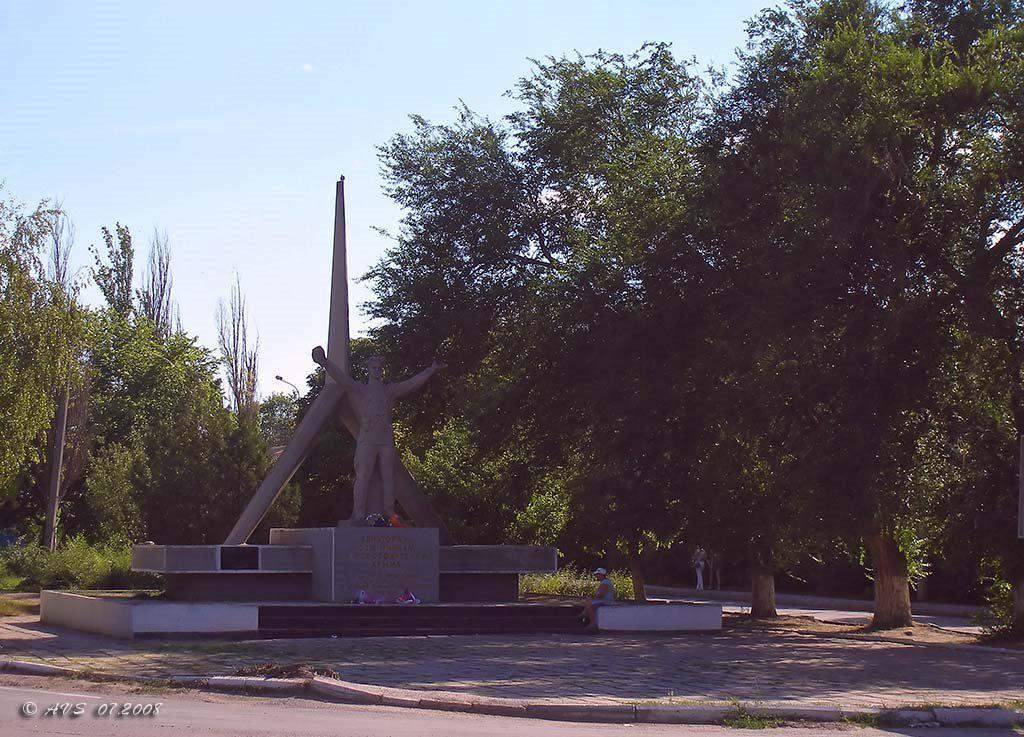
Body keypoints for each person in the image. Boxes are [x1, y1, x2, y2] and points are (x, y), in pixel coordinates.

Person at [312, 346, 444, 520]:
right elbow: (342, 379)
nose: (377, 371)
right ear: (368, 370)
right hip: (367, 438)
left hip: (385, 439)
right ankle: (358, 514)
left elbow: (411, 384)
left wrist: (430, 371)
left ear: (382, 370)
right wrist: (324, 362)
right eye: (373, 368)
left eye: (379, 368)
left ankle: (389, 512)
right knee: (363, 475)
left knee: (388, 476)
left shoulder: (389, 391)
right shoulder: (360, 389)